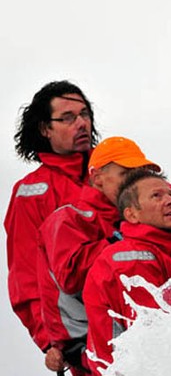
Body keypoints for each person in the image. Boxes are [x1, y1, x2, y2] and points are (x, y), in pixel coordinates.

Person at [37, 136, 160, 376]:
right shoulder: (68, 218)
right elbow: (70, 277)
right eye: (126, 172)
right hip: (88, 350)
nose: (135, 180)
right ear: (96, 177)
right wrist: (127, 237)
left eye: (140, 173)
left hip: (138, 344)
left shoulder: (137, 216)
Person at [4, 80, 98, 354]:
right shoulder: (31, 193)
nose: (81, 123)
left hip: (142, 316)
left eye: (84, 114)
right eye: (68, 118)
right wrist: (51, 342)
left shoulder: (113, 172)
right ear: (45, 129)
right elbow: (26, 273)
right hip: (82, 338)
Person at [83, 167, 171, 376]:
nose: (169, 201)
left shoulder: (163, 252)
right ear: (132, 214)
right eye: (157, 196)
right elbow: (152, 334)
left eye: (170, 195)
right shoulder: (132, 259)